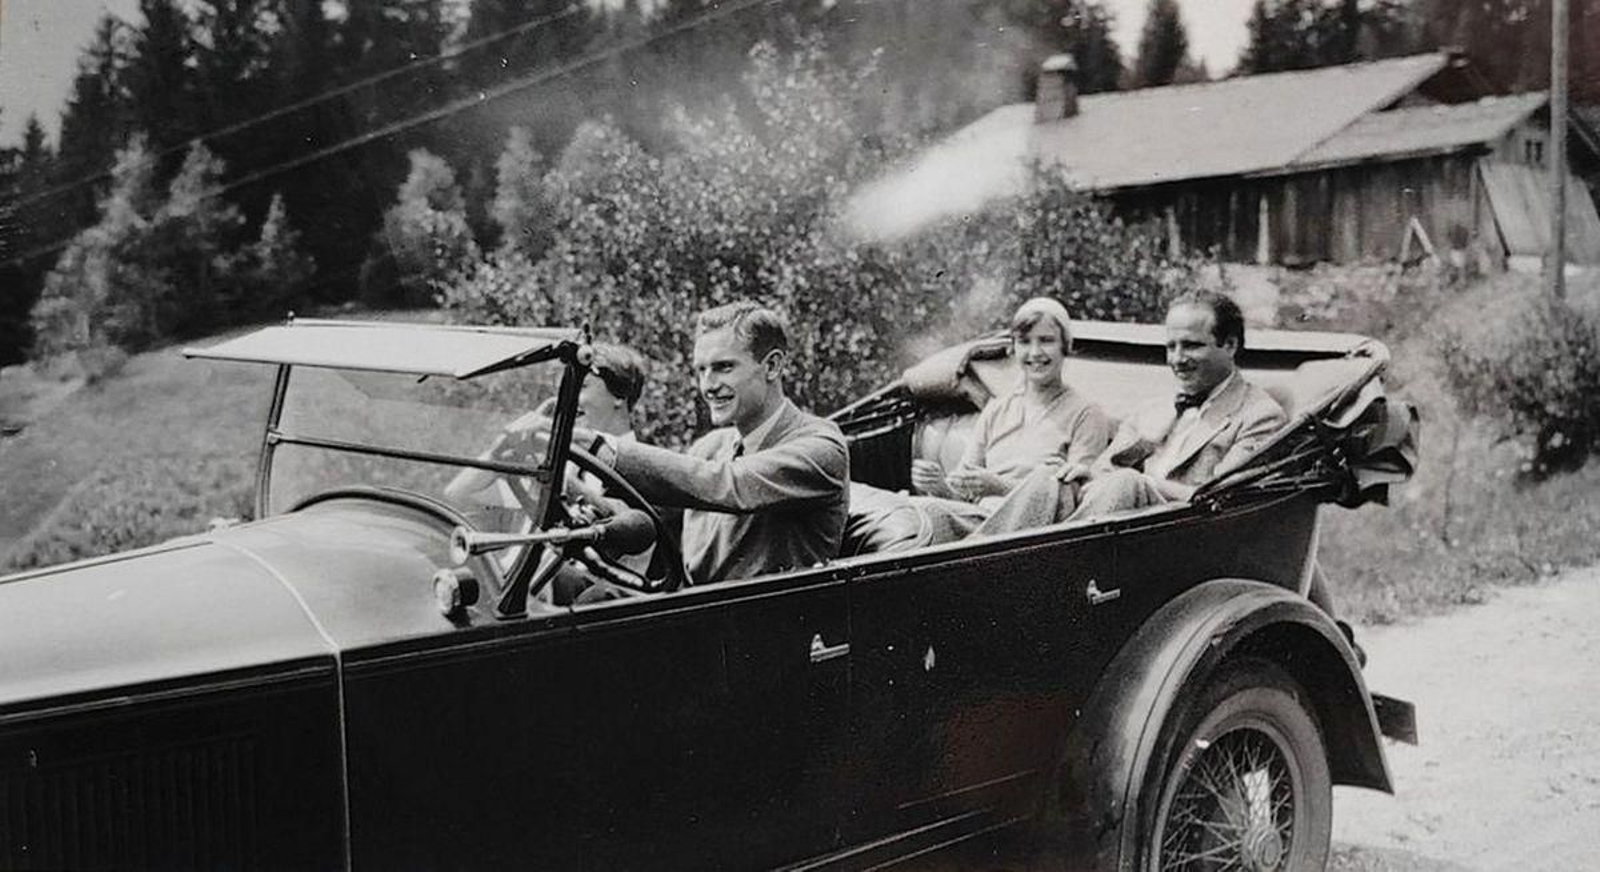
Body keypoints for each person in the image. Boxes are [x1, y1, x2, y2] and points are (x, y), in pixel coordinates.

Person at [575, 301, 849, 586]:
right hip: (699, 614)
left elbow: (730, 485)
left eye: (723, 367)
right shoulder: (711, 448)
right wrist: (558, 473)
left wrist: (593, 445)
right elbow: (641, 517)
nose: (708, 386)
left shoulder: (821, 446)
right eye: (701, 371)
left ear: (772, 366)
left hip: (766, 621)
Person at [978, 290, 1287, 531]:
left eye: (1191, 346)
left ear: (1230, 345)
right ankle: (976, 560)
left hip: (1189, 537)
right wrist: (1086, 474)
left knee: (1128, 482)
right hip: (1123, 530)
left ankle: (1033, 571)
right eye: (1171, 347)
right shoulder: (1152, 410)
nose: (1177, 359)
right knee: (1049, 477)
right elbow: (1103, 471)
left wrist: (1143, 483)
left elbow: (1222, 500)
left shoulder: (1260, 416)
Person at [910, 297, 1114, 509]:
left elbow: (1073, 501)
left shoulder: (1086, 413)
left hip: (1030, 532)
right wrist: (939, 487)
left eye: (1046, 340)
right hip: (978, 522)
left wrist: (1001, 487)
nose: (1035, 353)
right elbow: (964, 493)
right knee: (905, 509)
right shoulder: (996, 410)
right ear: (1013, 349)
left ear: (1066, 346)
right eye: (1025, 342)